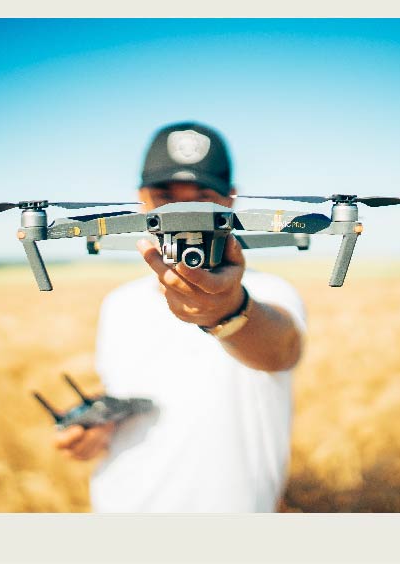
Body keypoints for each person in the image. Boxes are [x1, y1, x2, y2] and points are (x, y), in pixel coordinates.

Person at [53, 122, 307, 512]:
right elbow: (128, 390)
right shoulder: (118, 304)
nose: (184, 214)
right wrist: (96, 429)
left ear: (229, 200)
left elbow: (279, 349)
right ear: (141, 199)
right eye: (166, 198)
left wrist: (230, 311)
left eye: (201, 199)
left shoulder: (272, 293)